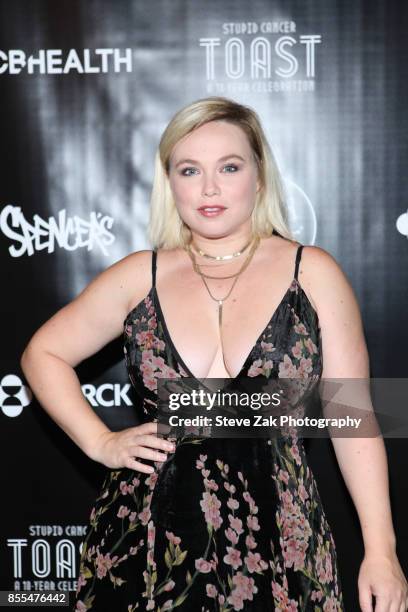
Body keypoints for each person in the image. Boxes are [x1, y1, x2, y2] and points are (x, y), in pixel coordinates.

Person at [20, 96, 407, 612]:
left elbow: (354, 420)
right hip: (147, 539)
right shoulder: (140, 276)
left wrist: (382, 550)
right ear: (170, 183)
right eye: (189, 170)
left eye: (229, 166)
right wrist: (100, 442)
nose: (208, 187)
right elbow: (41, 353)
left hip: (280, 540)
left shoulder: (313, 272)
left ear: (260, 176)